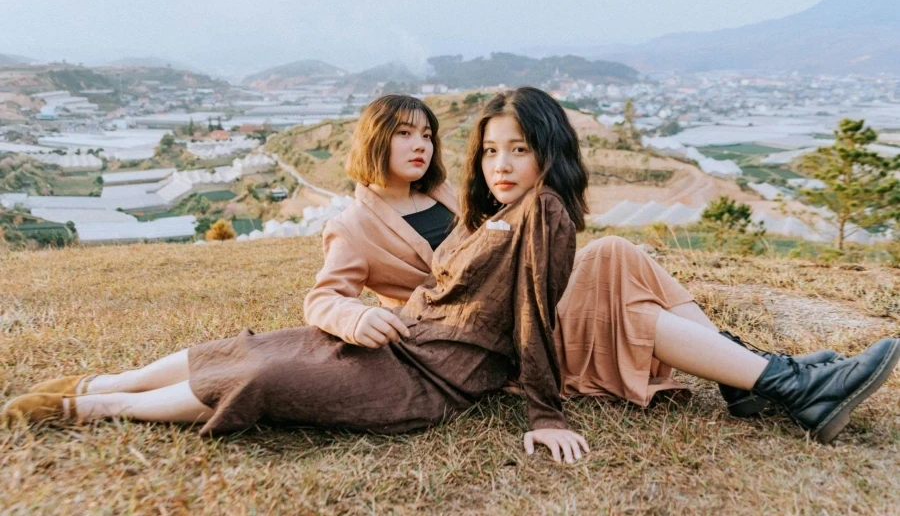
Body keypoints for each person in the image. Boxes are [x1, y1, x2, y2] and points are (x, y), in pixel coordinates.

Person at [8, 89, 898, 454]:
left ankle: (768, 377)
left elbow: (522, 300)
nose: (421, 146)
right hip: (421, 338)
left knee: (620, 257)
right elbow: (329, 292)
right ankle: (772, 381)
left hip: (458, 345)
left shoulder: (488, 208)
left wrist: (542, 405)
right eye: (404, 135)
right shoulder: (363, 216)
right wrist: (353, 317)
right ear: (375, 144)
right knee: (251, 348)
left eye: (428, 134)